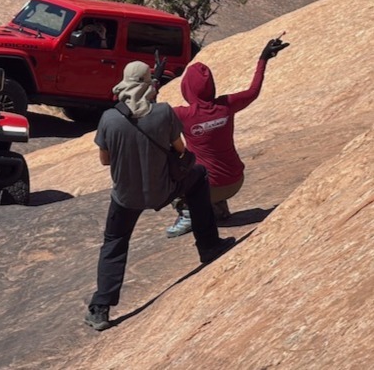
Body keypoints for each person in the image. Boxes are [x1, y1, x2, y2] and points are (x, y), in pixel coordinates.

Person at [84, 60, 236, 331]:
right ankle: (208, 246)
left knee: (115, 242)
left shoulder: (109, 118)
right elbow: (180, 149)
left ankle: (100, 309)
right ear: (148, 83)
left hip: (126, 197)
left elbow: (104, 161)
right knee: (199, 176)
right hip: (164, 189)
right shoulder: (164, 112)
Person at [165, 37, 290, 238]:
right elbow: (253, 91)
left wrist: (154, 82)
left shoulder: (182, 114)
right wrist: (263, 59)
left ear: (186, 87)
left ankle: (188, 212)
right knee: (205, 167)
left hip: (209, 187)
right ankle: (219, 209)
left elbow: (149, 116)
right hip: (235, 181)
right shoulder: (226, 105)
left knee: (169, 163)